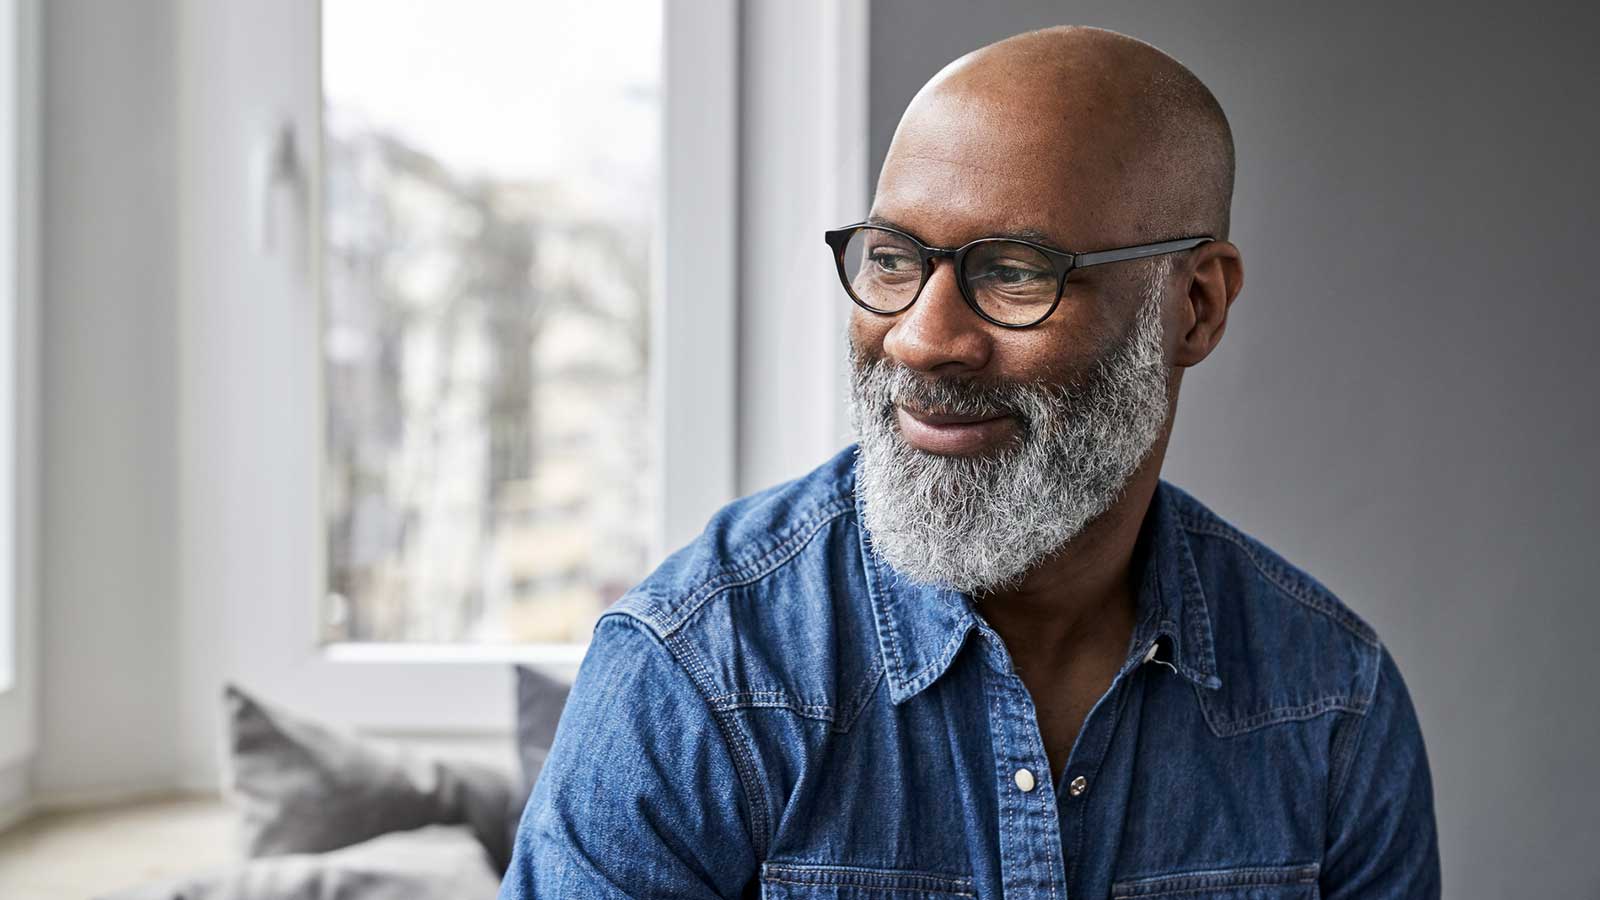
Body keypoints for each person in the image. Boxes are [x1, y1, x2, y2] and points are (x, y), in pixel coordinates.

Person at [499, 24, 1439, 900]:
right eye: (893, 258)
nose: (919, 339)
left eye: (1017, 270)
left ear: (1195, 306)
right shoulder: (696, 674)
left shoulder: (1331, 706)